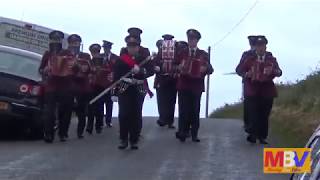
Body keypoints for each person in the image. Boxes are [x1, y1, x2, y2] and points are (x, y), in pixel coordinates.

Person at [235, 35, 282, 144]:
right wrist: (246, 74)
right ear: (255, 47)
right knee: (253, 112)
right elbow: (238, 70)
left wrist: (274, 72)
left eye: (263, 46)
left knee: (264, 114)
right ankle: (252, 134)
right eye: (258, 46)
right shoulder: (249, 59)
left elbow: (279, 71)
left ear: (266, 47)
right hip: (252, 89)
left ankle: (262, 136)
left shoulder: (271, 59)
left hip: (267, 90)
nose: (260, 48)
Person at [114, 34, 154, 150]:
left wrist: (141, 70)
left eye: (134, 46)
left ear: (138, 47)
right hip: (124, 87)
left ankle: (134, 140)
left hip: (139, 87)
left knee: (136, 114)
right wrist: (114, 93)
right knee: (124, 114)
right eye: (130, 46)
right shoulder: (121, 60)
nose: (132, 48)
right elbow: (116, 78)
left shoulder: (143, 59)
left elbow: (151, 71)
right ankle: (123, 139)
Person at [175, 29, 213, 143]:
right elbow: (173, 65)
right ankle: (182, 132)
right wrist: (179, 67)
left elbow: (211, 69)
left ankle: (194, 133)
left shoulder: (203, 55)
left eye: (193, 39)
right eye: (190, 39)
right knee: (183, 109)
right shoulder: (181, 52)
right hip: (183, 85)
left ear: (197, 41)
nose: (191, 41)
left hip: (196, 86)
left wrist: (205, 68)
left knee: (194, 110)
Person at [39, 30, 74, 143]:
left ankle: (63, 133)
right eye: (54, 39)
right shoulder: (47, 54)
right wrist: (44, 70)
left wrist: (73, 66)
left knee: (65, 111)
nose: (56, 41)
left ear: (61, 41)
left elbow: (74, 68)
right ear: (50, 40)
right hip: (51, 86)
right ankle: (48, 134)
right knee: (49, 112)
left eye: (58, 39)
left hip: (65, 86)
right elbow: (40, 69)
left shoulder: (67, 53)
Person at [67, 34, 92, 139]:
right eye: (72, 43)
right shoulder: (64, 54)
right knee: (66, 110)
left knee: (81, 112)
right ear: (69, 44)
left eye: (76, 43)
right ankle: (63, 133)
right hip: (68, 86)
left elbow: (90, 69)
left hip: (82, 88)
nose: (74, 45)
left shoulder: (85, 56)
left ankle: (80, 132)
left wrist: (83, 68)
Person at [154, 34, 179, 129]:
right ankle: (163, 118)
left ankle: (169, 121)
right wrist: (157, 67)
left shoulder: (176, 51)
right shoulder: (159, 52)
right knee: (162, 100)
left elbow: (178, 63)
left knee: (171, 100)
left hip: (172, 78)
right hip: (161, 78)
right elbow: (154, 64)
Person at [101, 40, 118, 128]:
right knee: (100, 103)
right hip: (101, 83)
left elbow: (118, 70)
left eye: (107, 48)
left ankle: (108, 121)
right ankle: (100, 121)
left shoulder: (116, 57)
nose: (105, 50)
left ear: (110, 48)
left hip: (111, 84)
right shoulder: (100, 57)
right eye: (104, 48)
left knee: (109, 103)